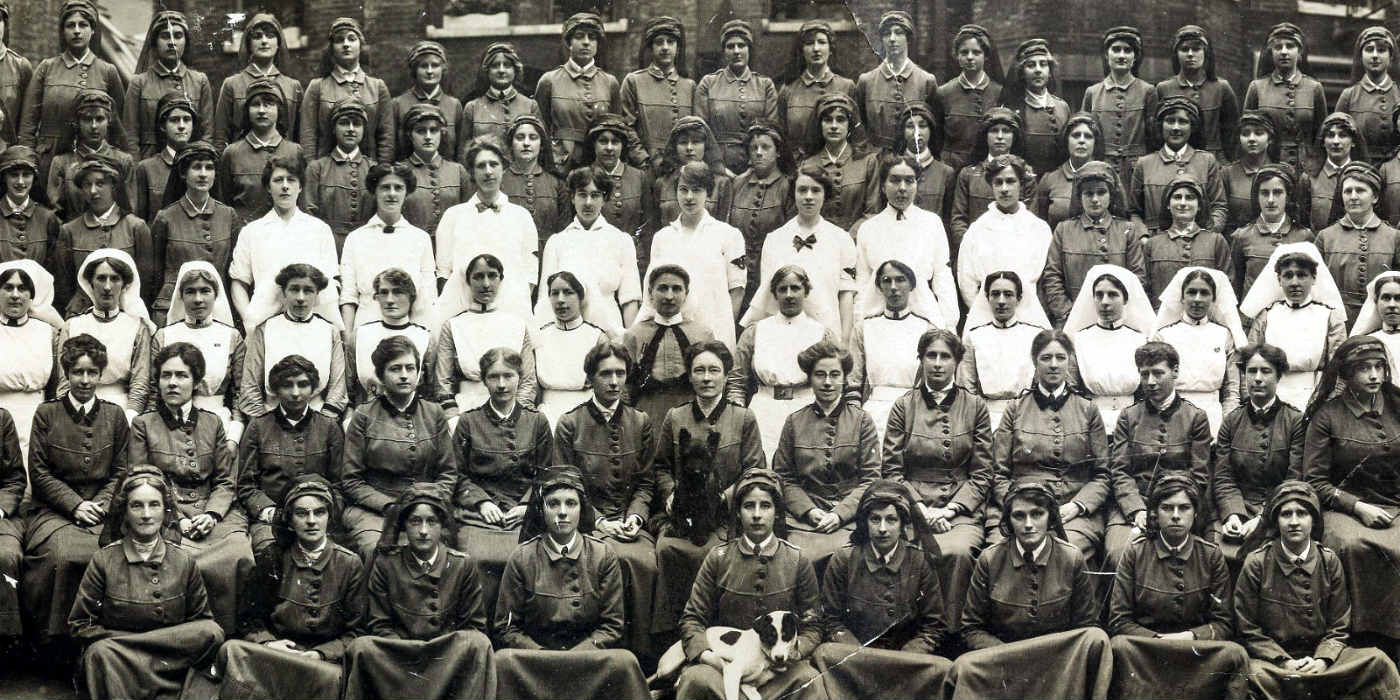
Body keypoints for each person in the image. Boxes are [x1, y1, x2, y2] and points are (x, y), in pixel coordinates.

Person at [944, 479, 1111, 700]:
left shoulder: (1071, 557)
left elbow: (1086, 624)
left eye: (1037, 514)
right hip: (1005, 660)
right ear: (1009, 520)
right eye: (1019, 516)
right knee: (962, 667)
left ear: (1050, 517)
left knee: (1096, 637)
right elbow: (971, 628)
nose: (1029, 524)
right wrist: (1013, 656)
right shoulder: (990, 559)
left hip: (1057, 663)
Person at [493, 465, 648, 700]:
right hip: (536, 664)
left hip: (588, 661)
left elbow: (612, 625)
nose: (562, 512)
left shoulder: (602, 555)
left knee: (626, 662)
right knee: (502, 662)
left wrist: (579, 654)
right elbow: (506, 627)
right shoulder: (522, 557)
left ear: (582, 508)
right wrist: (542, 654)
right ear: (542, 509)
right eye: (554, 504)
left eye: (571, 503)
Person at [68, 466, 224, 700]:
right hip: (123, 660)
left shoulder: (184, 560)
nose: (146, 514)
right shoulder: (104, 561)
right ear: (124, 512)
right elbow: (80, 625)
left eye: (154, 505)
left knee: (212, 632)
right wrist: (132, 646)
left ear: (165, 510)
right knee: (99, 653)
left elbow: (202, 621)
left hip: (172, 659)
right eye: (136, 505)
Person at [130, 341, 254, 634]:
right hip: (164, 512)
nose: (173, 383)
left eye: (182, 375)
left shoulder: (213, 423)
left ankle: (230, 636)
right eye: (166, 375)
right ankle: (185, 636)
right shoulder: (143, 425)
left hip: (213, 510)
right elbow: (141, 478)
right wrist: (177, 519)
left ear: (196, 381)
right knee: (173, 557)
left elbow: (226, 480)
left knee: (237, 553)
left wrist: (211, 514)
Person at [1234, 480, 1400, 699]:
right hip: (1274, 663)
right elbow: (1248, 629)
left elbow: (1339, 625)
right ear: (1276, 520)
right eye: (1286, 514)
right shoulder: (1257, 563)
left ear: (1313, 519)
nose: (1294, 522)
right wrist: (1285, 661)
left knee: (1378, 662)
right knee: (1249, 677)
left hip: (1325, 662)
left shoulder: (1329, 561)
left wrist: (1323, 659)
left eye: (1302, 513)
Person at [673, 467, 826, 700]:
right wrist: (708, 656)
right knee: (696, 680)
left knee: (808, 681)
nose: (757, 514)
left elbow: (813, 624)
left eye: (765, 506)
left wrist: (793, 651)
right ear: (737, 513)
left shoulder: (797, 560)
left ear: (776, 512)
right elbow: (692, 618)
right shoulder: (718, 557)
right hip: (728, 668)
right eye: (748, 506)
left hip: (780, 672)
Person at [210, 476, 364, 700]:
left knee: (333, 680)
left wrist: (321, 654)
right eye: (302, 514)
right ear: (289, 520)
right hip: (277, 655)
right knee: (232, 649)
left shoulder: (349, 563)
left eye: (319, 512)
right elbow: (249, 620)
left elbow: (357, 632)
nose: (311, 521)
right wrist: (269, 642)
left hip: (322, 664)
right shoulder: (273, 557)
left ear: (329, 518)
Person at [651, 339, 765, 639]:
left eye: (714, 370)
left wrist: (724, 497)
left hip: (725, 516)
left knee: (718, 553)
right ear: (689, 376)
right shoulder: (676, 417)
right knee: (667, 548)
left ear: (726, 376)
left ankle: (717, 633)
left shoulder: (743, 418)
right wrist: (671, 492)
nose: (706, 378)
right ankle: (670, 635)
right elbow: (661, 466)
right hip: (683, 514)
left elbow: (754, 470)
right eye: (698, 370)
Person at [341, 485, 496, 700]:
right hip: (399, 655)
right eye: (415, 521)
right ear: (404, 525)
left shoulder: (462, 564)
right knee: (362, 647)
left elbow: (474, 624)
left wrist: (439, 649)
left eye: (431, 522)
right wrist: (412, 651)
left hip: (446, 656)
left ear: (442, 526)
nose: (423, 530)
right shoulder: (386, 563)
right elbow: (379, 623)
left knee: (479, 643)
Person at [24, 333, 129, 643]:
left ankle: (108, 640)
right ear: (67, 374)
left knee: (114, 555)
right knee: (61, 557)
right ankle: (55, 643)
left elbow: (121, 471)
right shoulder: (47, 413)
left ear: (100, 374)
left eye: (92, 372)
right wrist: (75, 505)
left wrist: (101, 504)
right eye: (77, 372)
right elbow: (39, 473)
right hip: (55, 511)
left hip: (103, 510)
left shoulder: (114, 415)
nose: (85, 380)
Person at [552, 341, 657, 653]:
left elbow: (646, 482)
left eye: (620, 374)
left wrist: (635, 517)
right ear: (591, 379)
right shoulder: (570, 424)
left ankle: (638, 655)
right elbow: (563, 486)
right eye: (605, 374)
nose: (614, 382)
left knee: (644, 564)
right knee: (604, 561)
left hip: (629, 525)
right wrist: (598, 521)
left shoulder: (640, 422)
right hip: (585, 524)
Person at [883, 329, 991, 630]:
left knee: (957, 552)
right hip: (912, 508)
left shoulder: (976, 407)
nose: (938, 364)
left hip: (960, 509)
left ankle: (953, 632)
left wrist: (950, 510)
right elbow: (892, 471)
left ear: (957, 362)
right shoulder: (904, 406)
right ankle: (912, 630)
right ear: (921, 360)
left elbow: (982, 473)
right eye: (931, 356)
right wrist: (921, 510)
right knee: (908, 552)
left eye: (946, 356)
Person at [1107, 474, 1249, 700]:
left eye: (1184, 508)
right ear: (1154, 513)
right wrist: (1158, 640)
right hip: (1147, 652)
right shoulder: (1135, 553)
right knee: (1118, 648)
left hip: (1195, 653)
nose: (1175, 516)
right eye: (1167, 508)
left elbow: (1223, 623)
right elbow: (1119, 620)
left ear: (1195, 513)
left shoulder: (1210, 555)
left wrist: (1190, 637)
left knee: (1235, 654)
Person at [1301, 335, 1400, 645]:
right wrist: (1358, 507)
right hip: (1343, 509)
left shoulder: (1398, 406)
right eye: (1364, 369)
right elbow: (1314, 481)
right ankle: (1360, 636)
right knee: (1352, 547)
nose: (1373, 376)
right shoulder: (1327, 416)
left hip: (1396, 504)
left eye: (1378, 367)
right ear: (1345, 375)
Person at [812, 480, 952, 699]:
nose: (883, 528)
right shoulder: (844, 559)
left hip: (904, 663)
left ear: (904, 524)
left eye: (891, 520)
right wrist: (861, 655)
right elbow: (831, 620)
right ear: (865, 522)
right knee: (824, 654)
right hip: (856, 660)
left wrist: (903, 658)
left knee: (943, 669)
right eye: (875, 519)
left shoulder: (919, 561)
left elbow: (933, 626)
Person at [451, 347, 553, 627]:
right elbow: (456, 474)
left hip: (524, 515)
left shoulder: (537, 422)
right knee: (475, 559)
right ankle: (479, 631)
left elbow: (546, 473)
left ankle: (516, 631)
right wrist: (482, 502)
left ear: (520, 378)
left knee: (525, 559)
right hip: (477, 515)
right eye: (494, 377)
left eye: (508, 376)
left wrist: (527, 505)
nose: (502, 384)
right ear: (484, 381)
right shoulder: (469, 422)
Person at [990, 329, 1109, 557]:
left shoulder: (1088, 409)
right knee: (1003, 552)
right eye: (1046, 358)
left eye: (1060, 358)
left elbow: (1102, 474)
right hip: (1022, 508)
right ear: (1035, 361)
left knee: (1066, 552)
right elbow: (998, 473)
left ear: (1070, 361)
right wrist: (1018, 505)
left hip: (1073, 511)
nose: (1053, 365)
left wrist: (1077, 505)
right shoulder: (1015, 409)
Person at [341, 336, 457, 560]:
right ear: (381, 375)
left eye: (410, 368)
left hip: (427, 507)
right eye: (395, 369)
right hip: (375, 510)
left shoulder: (434, 413)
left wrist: (427, 502)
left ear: (418, 373)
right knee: (376, 550)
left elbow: (448, 473)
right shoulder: (363, 416)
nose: (404, 375)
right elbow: (351, 480)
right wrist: (388, 505)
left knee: (441, 552)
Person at [1103, 341, 1214, 573]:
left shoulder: (1196, 418)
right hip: (1133, 510)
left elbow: (1199, 476)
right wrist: (1137, 510)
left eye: (1158, 373)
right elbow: (1120, 471)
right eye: (1145, 374)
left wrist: (1169, 510)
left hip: (1179, 509)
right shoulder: (1128, 417)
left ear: (1175, 372)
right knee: (1120, 554)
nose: (1151, 382)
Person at [236, 354, 345, 555]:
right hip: (272, 520)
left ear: (313, 389)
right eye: (287, 385)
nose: (296, 393)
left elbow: (338, 484)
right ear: (276, 389)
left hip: (318, 518)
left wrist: (325, 513)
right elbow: (246, 486)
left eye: (303, 384)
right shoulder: (258, 427)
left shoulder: (329, 427)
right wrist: (269, 512)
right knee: (269, 552)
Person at [730, 266, 840, 461]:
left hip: (808, 409)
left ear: (806, 291)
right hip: (764, 410)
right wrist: (738, 416)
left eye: (795, 288)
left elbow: (836, 380)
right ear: (774, 294)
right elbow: (737, 381)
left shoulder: (822, 333)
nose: (789, 295)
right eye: (782, 289)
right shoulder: (755, 332)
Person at [1213, 343, 1305, 565]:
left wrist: (1263, 518)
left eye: (1266, 371)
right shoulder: (1232, 421)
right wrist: (1233, 514)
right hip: (1239, 507)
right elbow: (1223, 476)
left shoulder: (1295, 421)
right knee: (1217, 552)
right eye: (1251, 371)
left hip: (1280, 510)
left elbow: (1294, 479)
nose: (1257, 378)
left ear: (1279, 376)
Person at [18, 0, 125, 185]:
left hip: (96, 162)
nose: (77, 30)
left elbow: (118, 125)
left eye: (83, 25)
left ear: (93, 30)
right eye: (70, 25)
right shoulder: (46, 68)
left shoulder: (107, 71)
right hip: (49, 159)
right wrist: (29, 162)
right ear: (63, 31)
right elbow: (28, 124)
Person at [227, 154, 339, 332]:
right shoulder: (252, 232)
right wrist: (248, 318)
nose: (285, 186)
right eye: (278, 180)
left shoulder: (319, 230)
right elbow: (239, 282)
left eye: (291, 180)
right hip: (265, 325)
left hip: (311, 325)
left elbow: (330, 284)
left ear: (300, 186)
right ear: (268, 187)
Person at [643, 161, 747, 348]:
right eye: (683, 190)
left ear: (708, 192)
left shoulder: (729, 235)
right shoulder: (663, 237)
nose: (689, 197)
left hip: (714, 333)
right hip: (672, 335)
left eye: (697, 190)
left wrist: (722, 331)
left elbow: (737, 291)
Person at [742, 164, 853, 338]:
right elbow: (769, 294)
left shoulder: (841, 239)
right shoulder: (774, 239)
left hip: (826, 332)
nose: (809, 196)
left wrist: (844, 341)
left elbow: (846, 294)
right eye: (802, 190)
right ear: (793, 194)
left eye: (816, 190)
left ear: (825, 194)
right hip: (784, 333)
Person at [851, 155, 960, 330]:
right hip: (877, 321)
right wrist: (858, 322)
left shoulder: (931, 223)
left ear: (917, 185)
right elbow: (862, 282)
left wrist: (949, 324)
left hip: (923, 318)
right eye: (894, 181)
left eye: (909, 181)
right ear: (883, 186)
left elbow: (942, 277)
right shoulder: (869, 228)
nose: (902, 188)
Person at [434, 137, 537, 317]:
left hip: (510, 312)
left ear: (503, 168)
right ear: (472, 172)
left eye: (494, 164)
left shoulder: (521, 217)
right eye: (481, 166)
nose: (488, 171)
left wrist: (507, 309)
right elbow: (443, 272)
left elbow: (530, 273)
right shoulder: (453, 216)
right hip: (463, 313)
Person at [1040, 160, 1148, 327]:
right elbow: (1052, 275)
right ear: (1079, 197)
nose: (1095, 199)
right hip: (1074, 319)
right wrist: (1067, 312)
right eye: (1088, 194)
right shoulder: (1064, 230)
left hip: (1118, 320)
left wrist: (1120, 311)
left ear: (1111, 195)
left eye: (1101, 192)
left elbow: (1137, 276)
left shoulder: (1127, 230)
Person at [1241, 243, 1349, 410]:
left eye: (1302, 275)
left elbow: (1340, 368)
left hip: (1315, 396)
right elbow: (1250, 359)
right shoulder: (1266, 315)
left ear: (1313, 278)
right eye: (1288, 276)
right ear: (1279, 279)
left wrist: (1326, 405)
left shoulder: (1329, 316)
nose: (1294, 283)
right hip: (1270, 395)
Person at [536, 166, 641, 336]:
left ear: (605, 198)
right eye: (582, 194)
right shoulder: (557, 242)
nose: (588, 203)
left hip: (610, 335)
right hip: (565, 334)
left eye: (595, 195)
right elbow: (545, 302)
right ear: (572, 197)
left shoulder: (621, 240)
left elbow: (630, 300)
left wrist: (629, 342)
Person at [238, 263, 347, 419]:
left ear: (317, 294)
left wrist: (324, 424)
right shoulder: (265, 328)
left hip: (318, 417)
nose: (301, 298)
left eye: (308, 290)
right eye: (294, 289)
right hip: (271, 417)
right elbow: (250, 386)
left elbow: (338, 388)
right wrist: (263, 426)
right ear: (284, 293)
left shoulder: (330, 331)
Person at [339, 162, 437, 334]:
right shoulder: (355, 239)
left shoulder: (420, 239)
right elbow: (349, 295)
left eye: (398, 188)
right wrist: (349, 336)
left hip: (410, 330)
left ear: (406, 192)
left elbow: (428, 296)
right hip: (365, 329)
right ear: (374, 191)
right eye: (385, 187)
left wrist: (424, 334)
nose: (392, 194)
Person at [435, 253, 537, 417]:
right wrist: (453, 415)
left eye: (492, 276)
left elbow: (528, 380)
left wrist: (515, 415)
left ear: (501, 279)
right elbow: (443, 381)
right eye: (478, 277)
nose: (486, 284)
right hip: (466, 408)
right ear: (468, 281)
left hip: (511, 410)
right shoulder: (453, 325)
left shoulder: (517, 325)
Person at [846, 260, 938, 438]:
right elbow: (853, 379)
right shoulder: (864, 328)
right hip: (873, 412)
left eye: (901, 280)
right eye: (887, 280)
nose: (894, 287)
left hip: (915, 413)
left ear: (911, 285)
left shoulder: (927, 328)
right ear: (879, 286)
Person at [58, 249, 153, 418]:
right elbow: (64, 383)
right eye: (101, 278)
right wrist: (70, 418)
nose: (107, 287)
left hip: (122, 411)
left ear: (124, 285)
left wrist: (129, 418)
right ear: (90, 283)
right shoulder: (72, 326)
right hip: (77, 411)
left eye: (115, 279)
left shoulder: (137, 327)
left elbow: (140, 383)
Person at [150, 142, 238, 323]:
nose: (203, 174)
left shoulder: (228, 215)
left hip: (217, 310)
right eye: (196, 167)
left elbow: (231, 271)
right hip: (174, 310)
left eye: (209, 168)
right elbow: (156, 274)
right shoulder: (166, 217)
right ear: (183, 173)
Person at [1151, 266, 1246, 432]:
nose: (1197, 299)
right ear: (1181, 297)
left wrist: (1228, 425)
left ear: (1213, 298)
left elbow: (1231, 389)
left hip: (1213, 417)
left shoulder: (1224, 335)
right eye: (1191, 292)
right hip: (1172, 416)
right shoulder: (1164, 336)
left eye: (1204, 293)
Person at [52, 158, 151, 316]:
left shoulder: (136, 227)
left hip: (127, 314)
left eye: (100, 184)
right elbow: (64, 285)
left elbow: (145, 281)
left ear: (113, 186)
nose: (93, 191)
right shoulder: (69, 231)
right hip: (82, 314)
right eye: (87, 185)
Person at [622, 264, 714, 435]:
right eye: (662, 288)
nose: (669, 296)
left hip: (691, 410)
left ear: (686, 294)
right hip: (647, 411)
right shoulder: (634, 334)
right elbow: (625, 384)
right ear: (650, 293)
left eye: (676, 289)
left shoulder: (703, 333)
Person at [957, 154, 1053, 310]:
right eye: (998, 182)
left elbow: (1046, 281)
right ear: (991, 186)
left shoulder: (1039, 229)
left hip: (1029, 311)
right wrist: (983, 313)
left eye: (1010, 181)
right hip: (986, 312)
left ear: (1021, 185)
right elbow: (966, 280)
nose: (1004, 189)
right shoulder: (977, 229)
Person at [1064, 265, 1155, 428]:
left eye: (1113, 295)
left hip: (1135, 422)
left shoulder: (1140, 340)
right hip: (1091, 422)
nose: (1105, 302)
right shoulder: (1080, 340)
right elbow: (1072, 389)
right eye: (1099, 295)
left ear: (1126, 299)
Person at [959, 270, 1050, 427]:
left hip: (1028, 417)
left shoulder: (1035, 335)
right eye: (995, 294)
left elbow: (1043, 383)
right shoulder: (974, 337)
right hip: (984, 418)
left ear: (1019, 298)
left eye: (1008, 294)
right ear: (987, 298)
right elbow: (966, 389)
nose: (1001, 301)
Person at [1129, 96, 1228, 234]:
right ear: (1160, 125)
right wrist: (1143, 237)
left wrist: (1207, 236)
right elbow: (1134, 212)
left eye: (1182, 122)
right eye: (1170, 121)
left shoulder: (1207, 161)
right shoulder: (1144, 164)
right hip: (1155, 244)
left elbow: (1219, 207)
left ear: (1192, 127)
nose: (1176, 127)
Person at [534, 12, 622, 167]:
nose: (586, 42)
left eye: (592, 37)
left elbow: (617, 131)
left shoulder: (610, 82)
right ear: (569, 42)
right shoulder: (549, 81)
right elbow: (540, 129)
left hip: (598, 165)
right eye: (579, 37)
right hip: (560, 166)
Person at [1318, 161, 1400, 324]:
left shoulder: (1394, 237)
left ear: (1375, 197)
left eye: (1360, 190)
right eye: (1348, 191)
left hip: (1380, 321)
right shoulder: (1325, 237)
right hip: (1338, 320)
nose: (1353, 196)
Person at [216, 79, 306, 228]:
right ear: (247, 111)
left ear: (279, 110)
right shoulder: (232, 153)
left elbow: (301, 202)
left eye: (268, 104)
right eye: (255, 104)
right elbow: (223, 204)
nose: (262, 110)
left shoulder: (294, 151)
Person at [123, 11, 212, 160]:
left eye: (178, 36)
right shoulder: (139, 82)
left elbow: (207, 133)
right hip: (149, 160)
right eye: (165, 36)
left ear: (186, 41)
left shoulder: (200, 81)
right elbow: (130, 135)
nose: (172, 42)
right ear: (155, 42)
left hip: (189, 162)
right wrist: (137, 170)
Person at [299, 17, 391, 160]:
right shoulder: (317, 87)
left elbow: (386, 137)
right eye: (339, 40)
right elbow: (308, 136)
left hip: (369, 172)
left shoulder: (377, 87)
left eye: (352, 39)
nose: (346, 44)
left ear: (361, 45)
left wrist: (381, 172)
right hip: (327, 172)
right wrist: (312, 171)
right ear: (331, 48)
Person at [211, 13, 303, 154]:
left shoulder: (293, 86)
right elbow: (220, 136)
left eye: (270, 36)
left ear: (279, 44)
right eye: (257, 36)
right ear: (248, 44)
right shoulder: (232, 85)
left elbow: (299, 137)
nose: (264, 41)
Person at [726, 121, 794, 311]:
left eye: (765, 147)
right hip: (739, 273)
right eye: (754, 148)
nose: (759, 152)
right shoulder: (737, 184)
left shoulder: (787, 186)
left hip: (772, 272)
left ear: (778, 152)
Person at [1245, 23, 1329, 176]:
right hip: (1268, 168)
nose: (1284, 52)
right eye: (1278, 47)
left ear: (1300, 52)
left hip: (1306, 171)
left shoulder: (1314, 88)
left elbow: (1321, 136)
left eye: (1290, 46)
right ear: (1271, 52)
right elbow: (1246, 132)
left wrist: (1315, 168)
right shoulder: (1257, 87)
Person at [695, 19, 777, 176]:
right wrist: (719, 168)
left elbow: (771, 132)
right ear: (724, 51)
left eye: (742, 45)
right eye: (730, 46)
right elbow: (700, 132)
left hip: (756, 168)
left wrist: (754, 168)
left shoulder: (765, 85)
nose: (736, 51)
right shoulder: (708, 83)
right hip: (718, 168)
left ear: (749, 49)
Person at [45, 89, 135, 225]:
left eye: (99, 119)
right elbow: (55, 214)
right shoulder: (62, 163)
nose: (94, 126)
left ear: (109, 120)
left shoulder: (124, 161)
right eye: (87, 119)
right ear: (78, 122)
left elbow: (130, 211)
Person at [0, 259, 60, 461]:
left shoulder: (48, 333)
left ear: (32, 295)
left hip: (37, 418)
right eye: (8, 288)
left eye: (23, 288)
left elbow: (55, 383)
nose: (15, 295)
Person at [347, 268, 435, 404]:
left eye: (397, 292)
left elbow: (432, 390)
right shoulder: (360, 335)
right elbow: (348, 388)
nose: (389, 300)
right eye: (383, 292)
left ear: (411, 297)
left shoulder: (424, 337)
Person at [1082, 26, 1157, 187]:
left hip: (1137, 171)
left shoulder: (1148, 91)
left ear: (1135, 56)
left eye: (1128, 50)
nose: (1122, 55)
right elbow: (1086, 135)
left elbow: (1154, 139)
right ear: (1106, 54)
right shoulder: (1092, 92)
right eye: (1116, 49)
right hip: (1102, 168)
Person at [853, 11, 937, 153]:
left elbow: (935, 130)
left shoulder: (926, 81)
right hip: (876, 163)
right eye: (887, 34)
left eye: (898, 33)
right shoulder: (866, 81)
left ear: (908, 38)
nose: (892, 39)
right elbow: (859, 129)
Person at [533, 271, 610, 426]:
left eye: (568, 292)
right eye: (554, 293)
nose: (560, 300)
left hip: (588, 415)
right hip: (548, 415)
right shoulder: (539, 336)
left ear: (581, 297)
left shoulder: (597, 337)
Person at [1155, 24, 1240, 161]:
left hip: (1214, 160)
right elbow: (1157, 135)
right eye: (1184, 49)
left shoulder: (1221, 87)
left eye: (1196, 49)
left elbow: (1232, 133)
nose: (1190, 54)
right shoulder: (1164, 88)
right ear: (1176, 54)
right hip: (1176, 160)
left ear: (1206, 53)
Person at [796, 92, 878, 231]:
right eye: (828, 120)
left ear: (849, 125)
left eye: (840, 120)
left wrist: (849, 238)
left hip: (856, 242)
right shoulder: (807, 165)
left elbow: (872, 212)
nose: (834, 126)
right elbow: (803, 214)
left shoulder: (867, 162)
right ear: (820, 125)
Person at [1230, 162, 1315, 296]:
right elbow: (1235, 287)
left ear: (1288, 196)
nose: (1270, 200)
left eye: (1277, 193)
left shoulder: (1304, 236)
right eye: (1264, 193)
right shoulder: (1242, 236)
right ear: (1256, 197)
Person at [620, 16, 695, 168]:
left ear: (678, 47)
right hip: (646, 167)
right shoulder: (634, 81)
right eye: (659, 42)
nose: (665, 47)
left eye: (671, 42)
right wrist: (643, 160)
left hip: (683, 167)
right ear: (651, 47)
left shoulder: (690, 86)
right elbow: (626, 127)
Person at [776, 20, 856, 158]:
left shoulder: (847, 86)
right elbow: (780, 138)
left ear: (831, 49)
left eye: (822, 42)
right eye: (809, 43)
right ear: (801, 50)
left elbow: (856, 136)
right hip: (798, 167)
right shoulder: (788, 90)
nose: (816, 48)